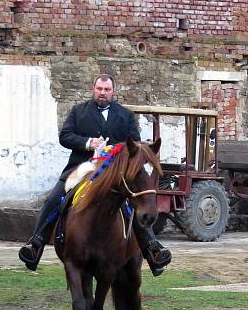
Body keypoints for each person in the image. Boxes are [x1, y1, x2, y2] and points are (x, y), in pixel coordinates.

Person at [18, 74, 172, 276]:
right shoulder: (78, 111)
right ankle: (35, 244)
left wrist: (114, 150)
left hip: (113, 173)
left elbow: (135, 143)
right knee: (54, 198)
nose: (103, 93)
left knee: (131, 203)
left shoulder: (125, 115)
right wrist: (89, 143)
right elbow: (65, 136)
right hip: (82, 168)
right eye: (100, 89)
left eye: (107, 90)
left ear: (113, 91)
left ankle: (152, 248)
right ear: (94, 89)